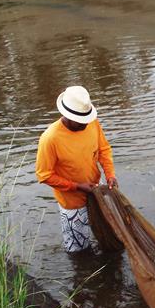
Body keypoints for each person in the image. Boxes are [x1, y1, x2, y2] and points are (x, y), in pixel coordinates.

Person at [35, 86, 118, 253]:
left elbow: (104, 149)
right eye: (80, 122)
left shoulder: (92, 122)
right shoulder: (50, 138)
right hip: (72, 201)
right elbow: (44, 175)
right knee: (78, 250)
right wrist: (77, 186)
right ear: (67, 116)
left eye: (86, 120)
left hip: (96, 191)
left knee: (109, 236)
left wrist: (110, 174)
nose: (85, 124)